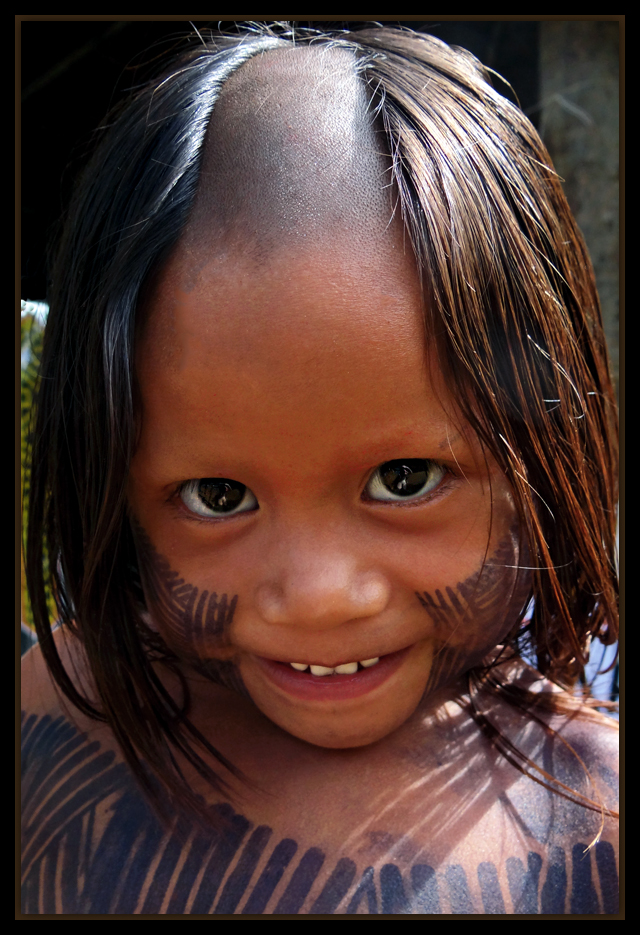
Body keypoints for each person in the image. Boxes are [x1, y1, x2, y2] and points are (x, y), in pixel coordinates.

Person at [21, 26, 619, 915]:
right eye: (218, 497)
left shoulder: (592, 823)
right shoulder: (54, 711)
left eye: (407, 479)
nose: (319, 594)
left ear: (542, 451)